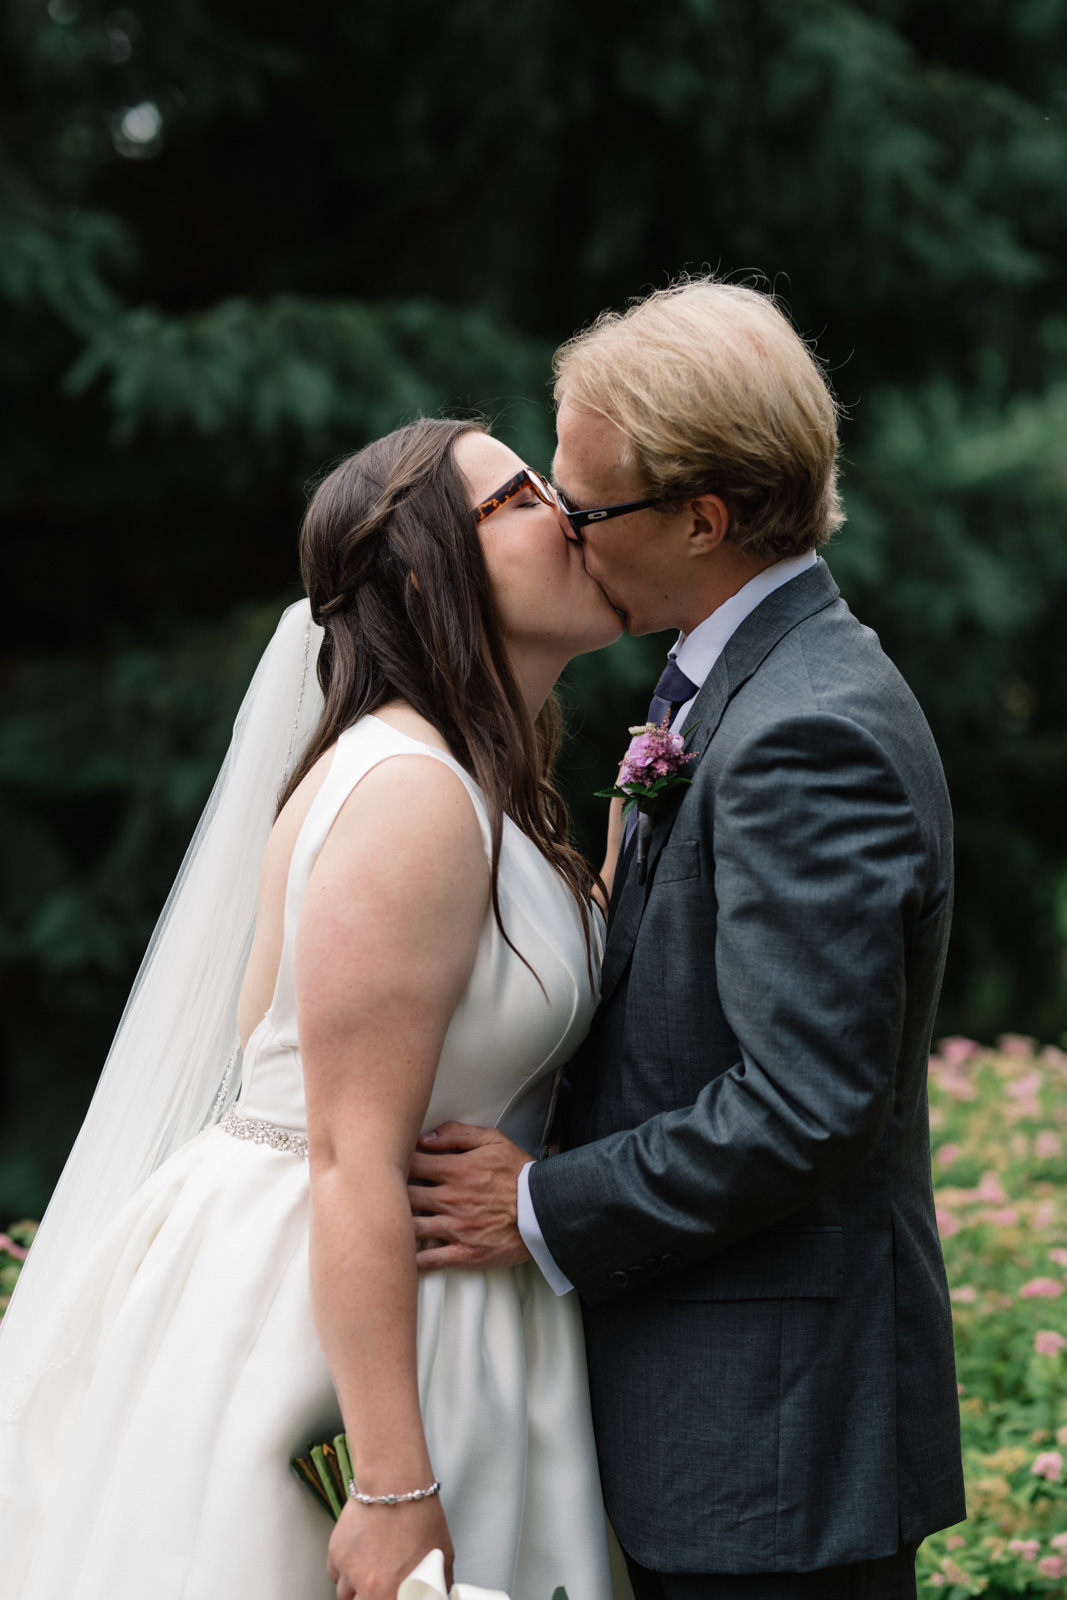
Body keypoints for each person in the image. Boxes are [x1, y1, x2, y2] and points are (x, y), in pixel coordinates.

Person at [408, 280, 967, 1600]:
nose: (558, 526)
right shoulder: (745, 683)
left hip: (772, 1450)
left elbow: (802, 1106)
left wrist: (538, 1204)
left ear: (702, 519)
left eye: (584, 506)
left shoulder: (802, 736)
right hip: (732, 1427)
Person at [0, 418, 623, 1600]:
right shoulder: (404, 795)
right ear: (430, 568)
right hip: (326, 1330)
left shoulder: (488, 794)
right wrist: (388, 1487)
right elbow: (344, 1154)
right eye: (527, 495)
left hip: (454, 1296)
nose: (573, 508)